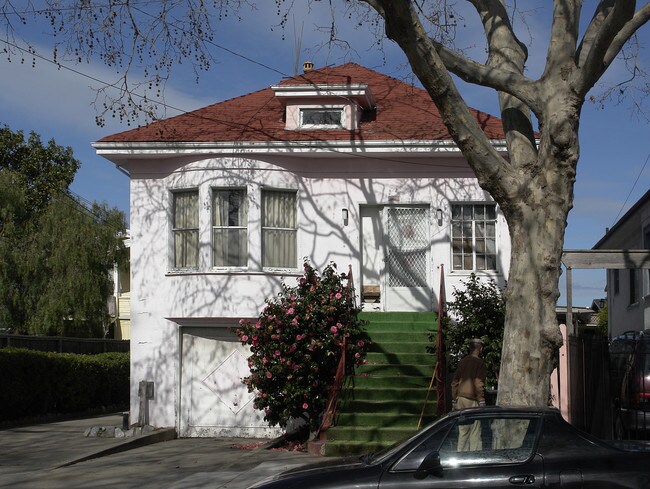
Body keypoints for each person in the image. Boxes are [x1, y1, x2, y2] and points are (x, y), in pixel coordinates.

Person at [451, 338, 487, 451]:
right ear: (480, 349)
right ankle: (474, 457)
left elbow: (455, 381)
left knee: (463, 431)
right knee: (475, 431)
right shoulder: (479, 363)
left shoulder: (462, 361)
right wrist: (481, 400)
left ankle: (461, 455)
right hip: (473, 399)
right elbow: (478, 382)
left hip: (460, 398)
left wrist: (454, 398)